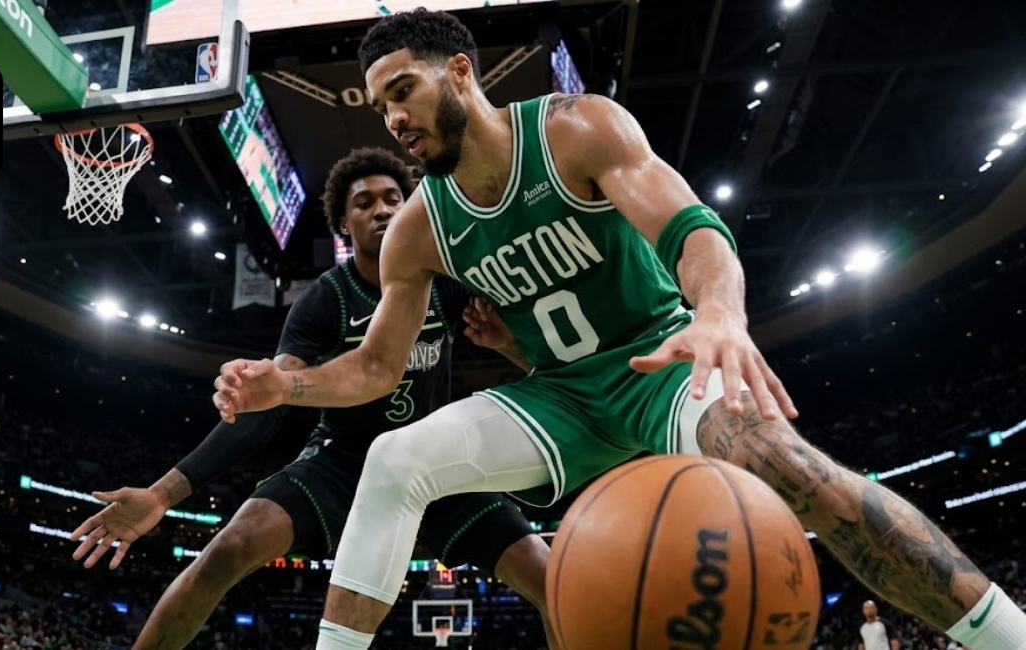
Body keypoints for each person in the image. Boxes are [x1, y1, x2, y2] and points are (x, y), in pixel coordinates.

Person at [212, 8, 1026, 650]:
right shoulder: (418, 228)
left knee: (797, 472)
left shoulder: (576, 128)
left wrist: (717, 314)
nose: (391, 118)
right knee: (395, 456)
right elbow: (376, 369)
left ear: (460, 71)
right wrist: (287, 383)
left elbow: (695, 233)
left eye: (403, 91)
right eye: (381, 104)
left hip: (656, 367)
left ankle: (1008, 636)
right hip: (561, 398)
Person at [70, 147, 555, 650]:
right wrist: (162, 495)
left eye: (393, 198)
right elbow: (270, 403)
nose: (382, 209)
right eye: (364, 203)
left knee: (551, 578)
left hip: (436, 464)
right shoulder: (326, 300)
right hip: (341, 464)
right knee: (227, 549)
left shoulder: (446, 282)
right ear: (343, 223)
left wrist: (506, 342)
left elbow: (542, 363)